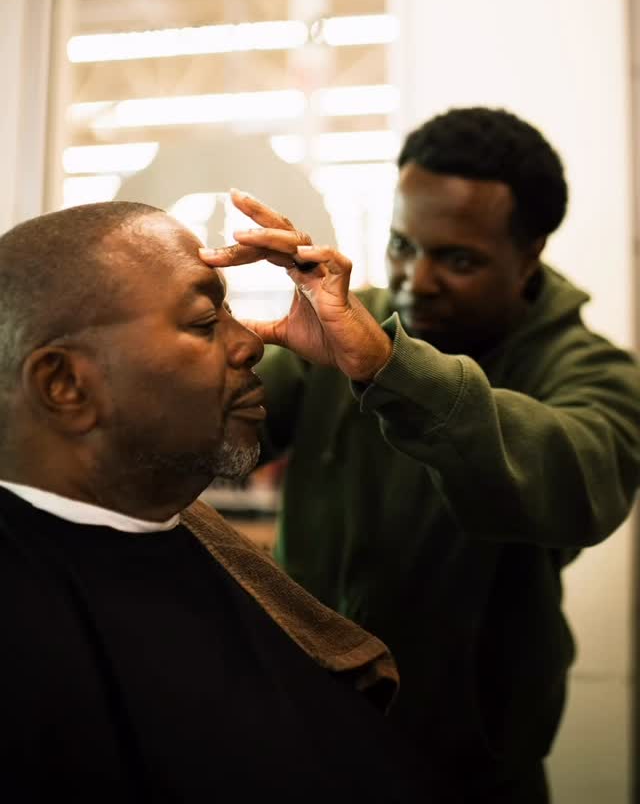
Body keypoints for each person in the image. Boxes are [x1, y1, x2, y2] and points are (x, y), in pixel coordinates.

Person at [201, 107, 640, 804]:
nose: (415, 279)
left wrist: (387, 367)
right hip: (307, 737)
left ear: (531, 255)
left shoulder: (589, 370)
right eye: (403, 245)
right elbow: (218, 442)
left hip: (467, 772)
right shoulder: (344, 321)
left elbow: (579, 480)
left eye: (458, 260)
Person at [0, 200, 430, 804]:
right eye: (206, 322)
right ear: (65, 384)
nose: (249, 343)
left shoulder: (172, 528)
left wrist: (386, 368)